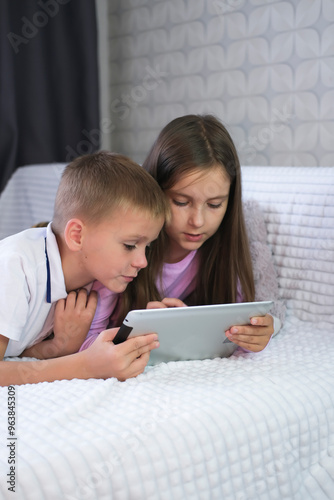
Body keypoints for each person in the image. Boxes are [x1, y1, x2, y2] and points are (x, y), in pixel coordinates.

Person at [80, 115, 285, 354]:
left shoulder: (224, 248)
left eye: (214, 205)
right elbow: (88, 345)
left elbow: (250, 316)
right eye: (181, 202)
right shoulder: (119, 253)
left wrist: (265, 329)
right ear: (155, 190)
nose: (197, 221)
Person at [0, 151, 170, 386]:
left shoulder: (93, 281)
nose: (143, 262)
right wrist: (85, 366)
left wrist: (60, 347)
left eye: (146, 247)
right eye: (130, 245)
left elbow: (15, 353)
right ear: (77, 235)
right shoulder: (14, 267)